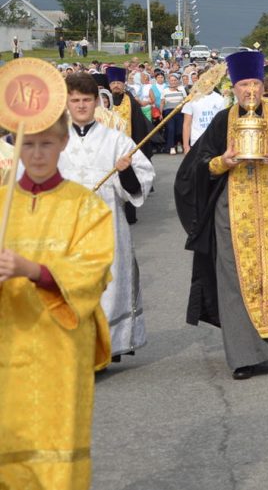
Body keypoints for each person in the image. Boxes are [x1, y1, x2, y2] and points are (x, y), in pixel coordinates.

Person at [174, 50, 268, 379]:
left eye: (255, 82)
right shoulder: (221, 121)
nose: (250, 90)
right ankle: (243, 357)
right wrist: (222, 163)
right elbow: (194, 168)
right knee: (234, 282)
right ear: (233, 88)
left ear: (262, 85)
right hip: (231, 214)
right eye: (243, 84)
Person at [0, 110, 114, 490]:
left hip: (60, 350)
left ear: (63, 143)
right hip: (7, 341)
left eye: (46, 143)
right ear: (15, 145)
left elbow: (92, 268)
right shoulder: (1, 203)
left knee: (58, 447)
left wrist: (33, 270)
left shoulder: (87, 206)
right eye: (28, 144)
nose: (36, 154)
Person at [59, 73, 155, 361]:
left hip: (107, 222)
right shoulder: (52, 140)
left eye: (86, 100)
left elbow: (141, 182)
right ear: (66, 102)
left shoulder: (116, 140)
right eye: (74, 100)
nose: (80, 106)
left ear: (96, 103)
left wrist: (125, 170)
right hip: (65, 226)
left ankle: (103, 345)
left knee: (106, 286)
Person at [102, 67, 154, 225]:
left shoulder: (130, 101)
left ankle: (130, 215)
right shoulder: (103, 102)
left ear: (124, 84)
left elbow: (139, 125)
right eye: (113, 83)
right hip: (108, 150)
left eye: (119, 82)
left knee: (129, 180)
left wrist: (139, 147)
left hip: (128, 148)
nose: (116, 85)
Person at [182, 68, 228, 154]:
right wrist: (186, 146)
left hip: (215, 141)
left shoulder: (220, 99)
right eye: (204, 79)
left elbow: (223, 124)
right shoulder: (191, 98)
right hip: (196, 140)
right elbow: (186, 124)